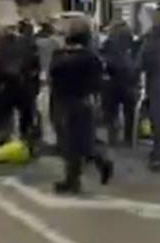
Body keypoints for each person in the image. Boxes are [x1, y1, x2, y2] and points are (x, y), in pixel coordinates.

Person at [49, 18, 113, 194]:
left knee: (70, 143)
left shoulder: (60, 55)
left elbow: (53, 77)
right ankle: (87, 170)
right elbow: (98, 82)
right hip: (82, 100)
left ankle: (75, 178)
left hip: (65, 101)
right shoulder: (91, 57)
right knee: (80, 140)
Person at [134, 11, 160, 168]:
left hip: (156, 87)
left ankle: (158, 157)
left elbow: (138, 65)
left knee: (158, 123)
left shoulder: (150, 44)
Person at [101, 21, 139, 145]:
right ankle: (129, 138)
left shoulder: (107, 44)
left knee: (111, 111)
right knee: (129, 112)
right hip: (129, 80)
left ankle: (113, 137)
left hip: (112, 81)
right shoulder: (132, 44)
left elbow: (102, 60)